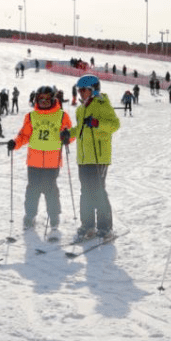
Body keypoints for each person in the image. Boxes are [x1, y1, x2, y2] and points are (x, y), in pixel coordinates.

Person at [8, 86, 73, 237]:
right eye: (40, 99)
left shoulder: (62, 116)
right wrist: (14, 143)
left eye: (47, 99)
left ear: (53, 99)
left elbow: (70, 135)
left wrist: (66, 137)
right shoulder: (31, 116)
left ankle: (54, 216)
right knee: (32, 189)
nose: (43, 102)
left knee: (50, 189)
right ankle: (30, 216)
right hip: (34, 161)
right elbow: (24, 136)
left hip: (52, 161)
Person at [72, 75, 120, 240]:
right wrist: (66, 134)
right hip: (84, 158)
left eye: (83, 90)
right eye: (79, 90)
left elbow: (114, 125)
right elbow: (79, 129)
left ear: (93, 90)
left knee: (98, 192)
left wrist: (97, 123)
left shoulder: (102, 104)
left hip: (99, 157)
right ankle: (88, 225)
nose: (80, 93)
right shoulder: (80, 109)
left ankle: (105, 228)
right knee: (85, 192)